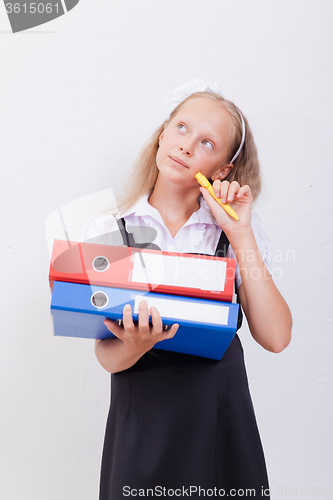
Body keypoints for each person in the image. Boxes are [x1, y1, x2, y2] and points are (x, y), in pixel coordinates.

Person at [83, 84, 292, 499]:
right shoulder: (109, 231)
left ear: (221, 170)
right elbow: (106, 355)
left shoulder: (234, 232)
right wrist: (136, 344)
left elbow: (276, 337)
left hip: (219, 421)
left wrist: (239, 230)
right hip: (142, 426)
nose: (186, 146)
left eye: (207, 142)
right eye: (181, 128)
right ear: (162, 134)